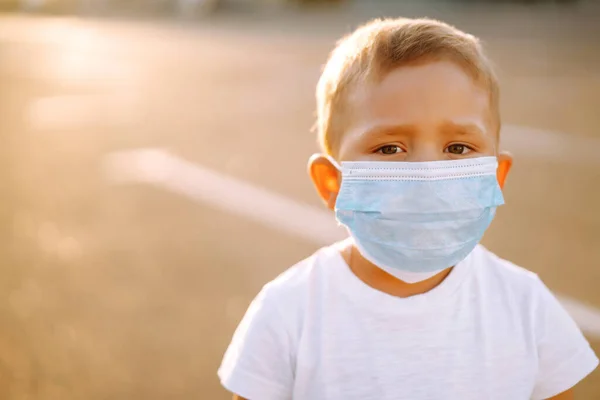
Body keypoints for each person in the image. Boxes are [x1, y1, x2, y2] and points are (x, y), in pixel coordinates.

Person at [217, 17, 598, 400]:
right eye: (389, 148)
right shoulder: (288, 312)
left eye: (458, 148)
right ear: (331, 183)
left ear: (495, 178)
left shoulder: (526, 305)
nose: (428, 175)